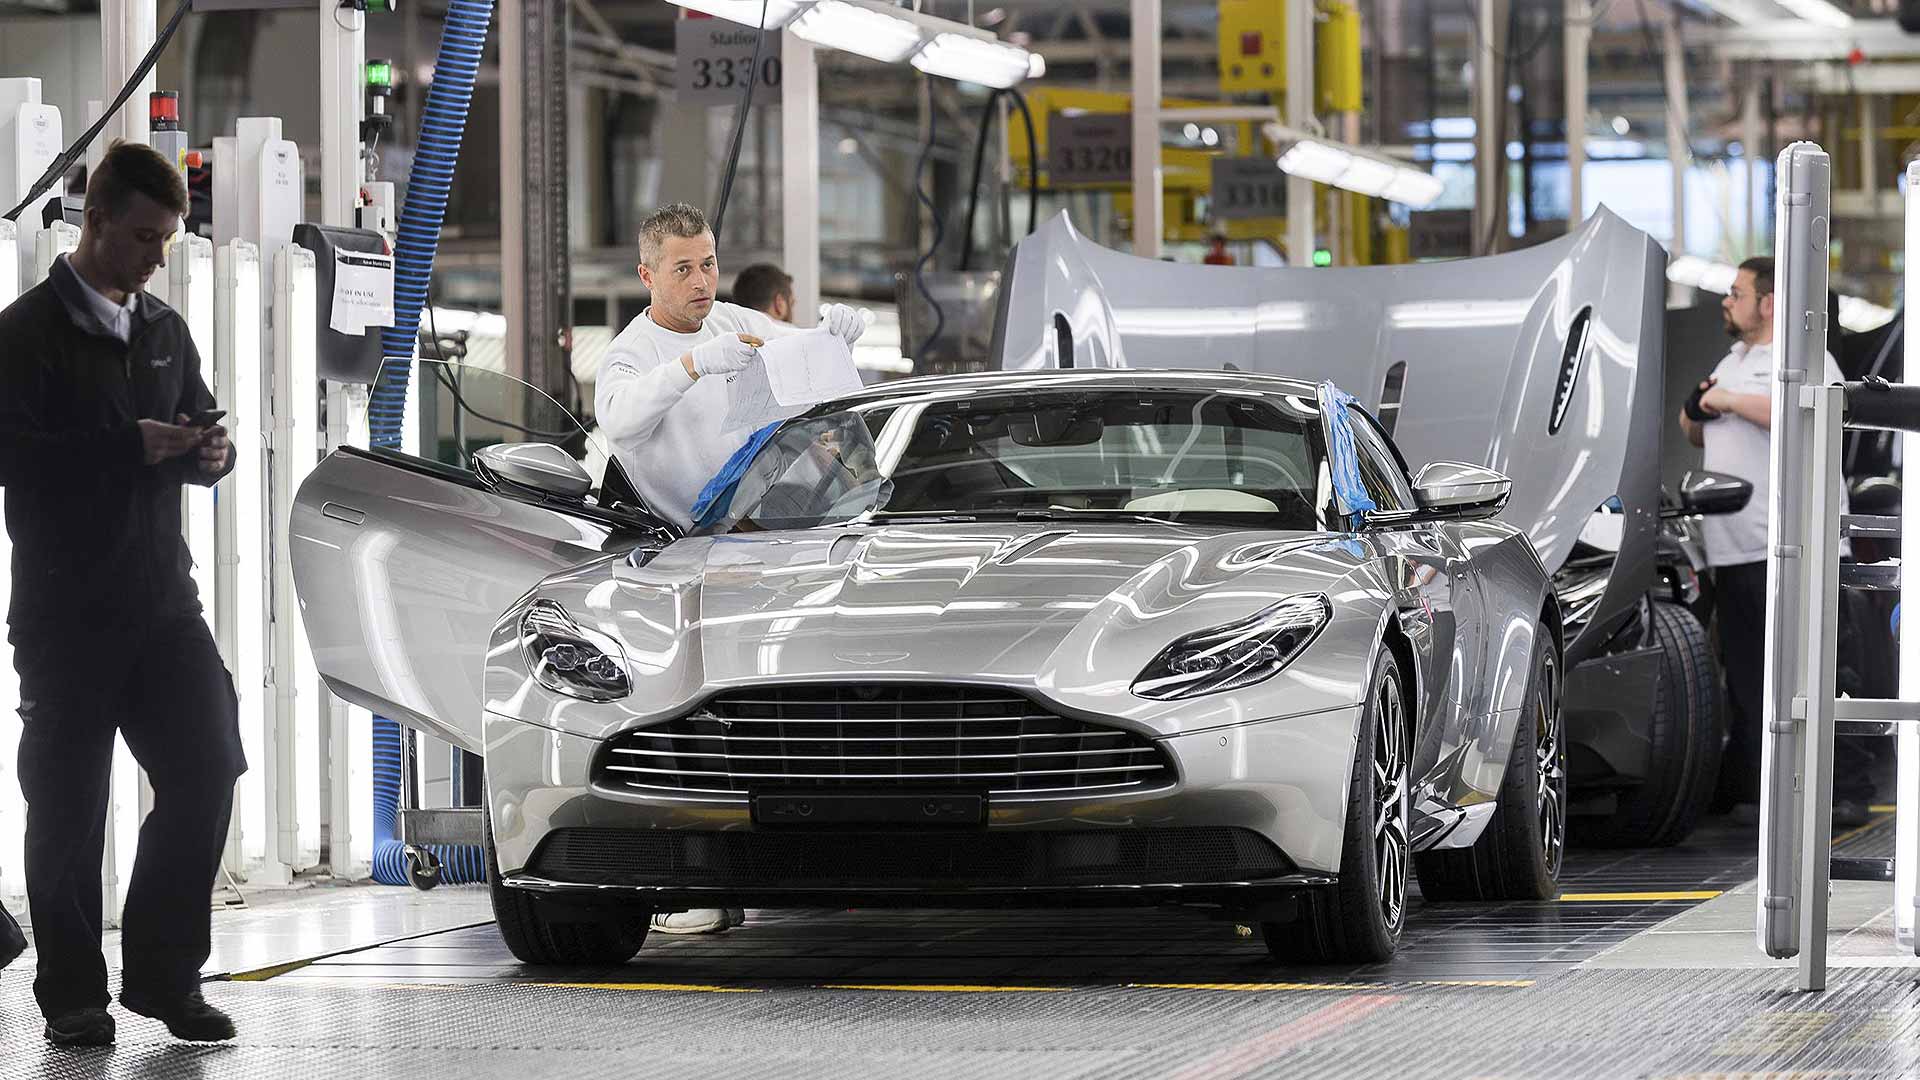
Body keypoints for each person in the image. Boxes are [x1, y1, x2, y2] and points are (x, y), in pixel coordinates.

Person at [0, 141, 243, 1047]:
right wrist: (122, 449)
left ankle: (164, 976)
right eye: (142, 236)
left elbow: (200, 422)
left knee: (207, 763)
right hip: (65, 612)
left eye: (167, 241)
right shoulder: (20, 336)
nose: (154, 256)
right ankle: (72, 995)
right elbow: (8, 455)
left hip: (163, 606)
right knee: (66, 807)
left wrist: (208, 457)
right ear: (94, 220)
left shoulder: (163, 332)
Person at [594, 202, 865, 935]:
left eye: (708, 263)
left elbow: (798, 356)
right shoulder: (630, 354)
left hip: (765, 550)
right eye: (682, 269)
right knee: (702, 724)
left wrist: (831, 338)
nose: (701, 280)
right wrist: (686, 367)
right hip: (682, 568)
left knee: (794, 717)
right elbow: (617, 418)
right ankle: (694, 882)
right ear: (648, 275)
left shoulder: (730, 322)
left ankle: (811, 863)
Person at [1680, 255, 1873, 828]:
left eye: (1736, 293)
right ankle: (1760, 785)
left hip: (1797, 546)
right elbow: (1695, 430)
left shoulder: (1808, 358)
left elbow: (1807, 416)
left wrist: (1724, 402)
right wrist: (1697, 408)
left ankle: (1849, 787)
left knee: (1823, 670)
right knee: (1748, 675)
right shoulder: (1732, 360)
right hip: (1733, 547)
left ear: (1768, 303)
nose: (1726, 301)